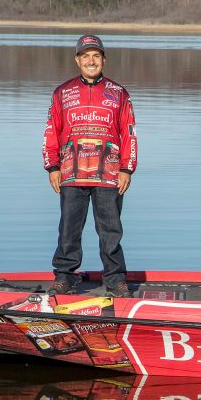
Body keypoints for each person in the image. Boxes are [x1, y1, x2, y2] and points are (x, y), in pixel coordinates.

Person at [42, 34, 138, 298]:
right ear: (77, 60)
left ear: (104, 60)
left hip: (109, 173)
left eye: (96, 56)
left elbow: (129, 133)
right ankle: (64, 277)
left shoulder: (119, 93)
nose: (91, 61)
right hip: (71, 173)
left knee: (111, 230)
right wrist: (52, 166)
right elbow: (51, 131)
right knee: (68, 229)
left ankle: (116, 280)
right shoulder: (62, 93)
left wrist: (126, 169)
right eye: (86, 56)